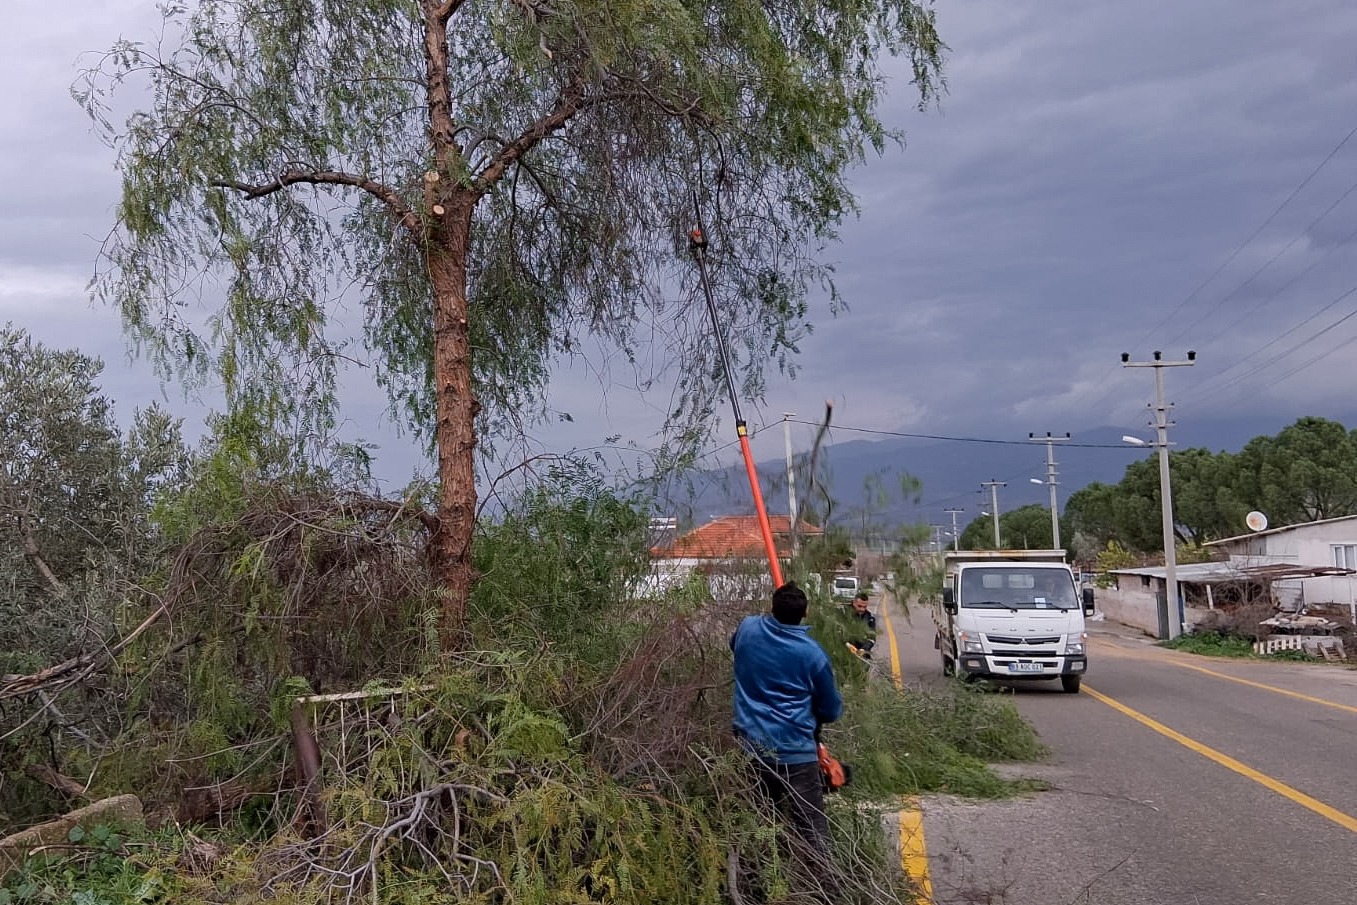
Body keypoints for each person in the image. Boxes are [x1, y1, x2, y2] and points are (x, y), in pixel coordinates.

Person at [730, 582, 843, 856]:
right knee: (811, 830)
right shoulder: (811, 654)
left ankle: (754, 890)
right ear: (805, 614)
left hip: (751, 750)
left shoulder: (748, 628)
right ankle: (824, 891)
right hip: (796, 755)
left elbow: (734, 645)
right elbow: (831, 710)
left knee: (757, 827)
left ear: (772, 608)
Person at [845, 591, 876, 658]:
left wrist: (863, 649)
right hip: (843, 651)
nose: (862, 609)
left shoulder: (870, 618)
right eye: (859, 606)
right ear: (854, 603)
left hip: (861, 654)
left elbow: (872, 638)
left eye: (864, 607)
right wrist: (848, 645)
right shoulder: (843, 613)